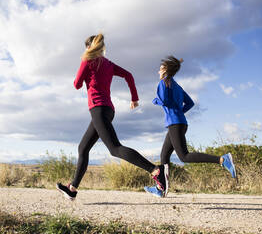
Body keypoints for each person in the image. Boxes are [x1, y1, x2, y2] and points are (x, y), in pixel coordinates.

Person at [56, 34, 166, 200]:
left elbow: (77, 84)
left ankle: (155, 171)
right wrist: (134, 97)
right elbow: (128, 75)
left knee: (115, 148)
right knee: (83, 148)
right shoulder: (108, 64)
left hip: (98, 109)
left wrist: (84, 69)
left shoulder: (87, 61)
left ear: (88, 47)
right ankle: (72, 188)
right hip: (107, 110)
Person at [144, 56, 237, 198]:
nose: (158, 70)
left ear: (165, 70)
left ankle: (222, 160)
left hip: (175, 124)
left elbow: (162, 100)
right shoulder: (177, 86)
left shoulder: (163, 83)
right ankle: (160, 188)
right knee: (164, 155)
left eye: (160, 68)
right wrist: (179, 112)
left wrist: (157, 96)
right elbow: (190, 103)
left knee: (184, 156)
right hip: (179, 123)